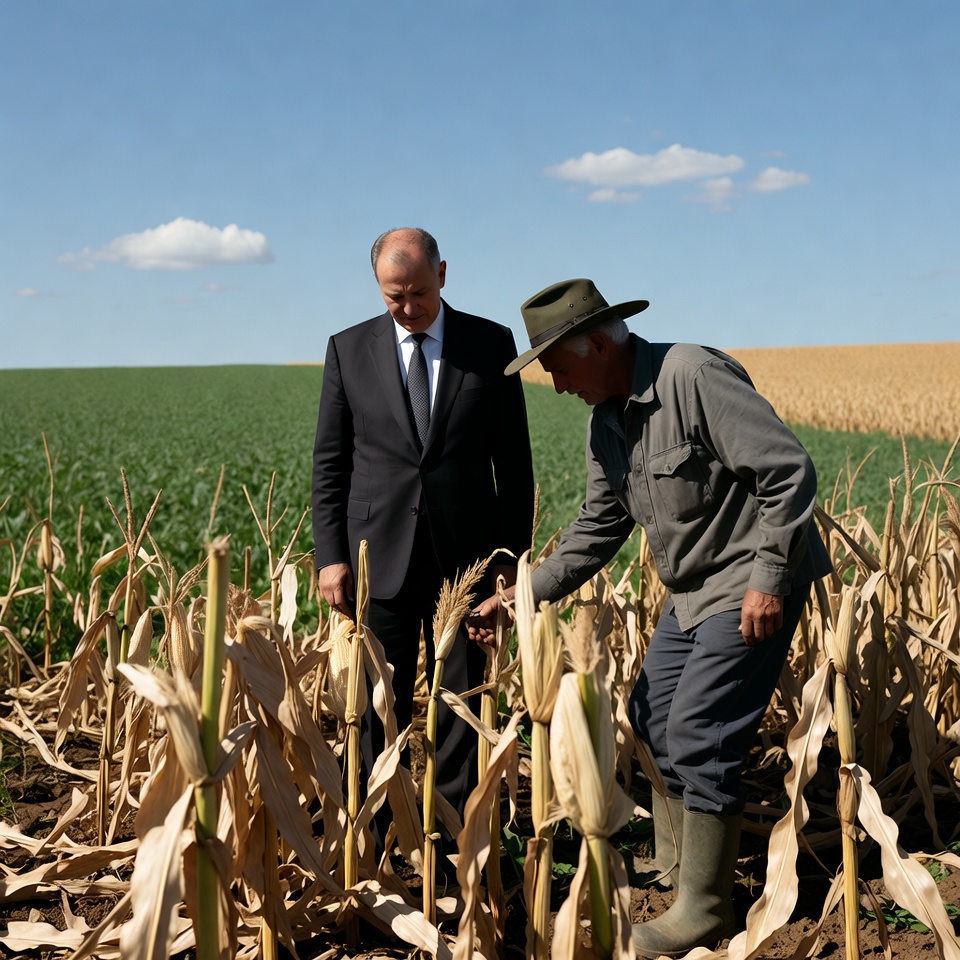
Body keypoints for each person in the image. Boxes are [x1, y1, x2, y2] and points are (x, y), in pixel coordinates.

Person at [471, 277, 833, 957]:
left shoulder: (692, 376)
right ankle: (679, 867)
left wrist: (771, 580)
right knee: (649, 720)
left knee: (699, 728)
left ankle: (703, 909)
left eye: (557, 365)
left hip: (751, 580)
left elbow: (786, 472)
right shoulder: (605, 421)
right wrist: (523, 592)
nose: (554, 384)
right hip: (691, 592)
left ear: (600, 343)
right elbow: (597, 526)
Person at [311, 228, 535, 855]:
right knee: (376, 706)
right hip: (374, 562)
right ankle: (373, 838)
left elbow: (514, 468)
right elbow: (330, 464)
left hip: (467, 562)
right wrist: (330, 555)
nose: (406, 308)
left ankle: (461, 845)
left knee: (461, 707)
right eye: (392, 297)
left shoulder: (490, 346)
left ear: (443, 272)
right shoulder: (347, 350)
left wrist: (509, 567)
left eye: (416, 293)